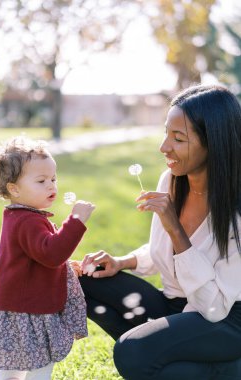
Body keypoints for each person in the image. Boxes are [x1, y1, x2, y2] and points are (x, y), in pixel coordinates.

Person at [79, 84, 241, 380]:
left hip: (225, 320)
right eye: (166, 133)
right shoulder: (172, 179)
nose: (164, 147)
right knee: (84, 282)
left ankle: (226, 368)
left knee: (131, 352)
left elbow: (214, 307)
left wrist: (175, 228)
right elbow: (162, 250)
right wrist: (122, 261)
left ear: (213, 142)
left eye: (178, 138)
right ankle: (180, 359)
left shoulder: (236, 209)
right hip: (176, 305)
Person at [0, 136, 95, 380]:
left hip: (13, 304)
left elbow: (35, 258)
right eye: (41, 181)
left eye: (53, 179)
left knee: (13, 365)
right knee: (40, 364)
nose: (51, 186)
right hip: (29, 309)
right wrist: (76, 221)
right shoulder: (28, 220)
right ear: (14, 188)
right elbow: (50, 253)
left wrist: (68, 268)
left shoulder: (20, 216)